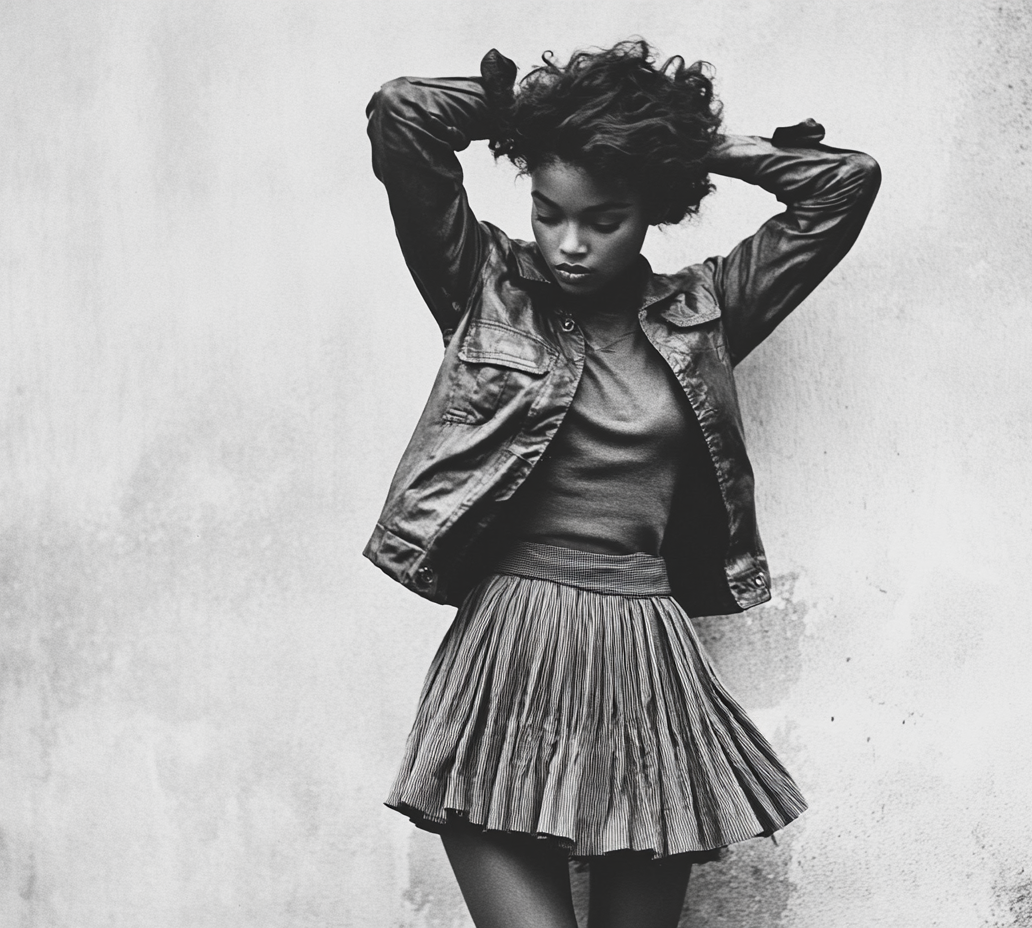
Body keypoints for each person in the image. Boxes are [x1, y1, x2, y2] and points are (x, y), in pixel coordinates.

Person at [364, 40, 880, 928]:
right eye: (548, 210)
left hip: (646, 660)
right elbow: (403, 115)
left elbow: (844, 184)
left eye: (604, 217)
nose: (569, 243)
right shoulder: (484, 287)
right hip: (508, 654)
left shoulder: (708, 311)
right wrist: (524, 116)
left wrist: (688, 149)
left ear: (651, 212)